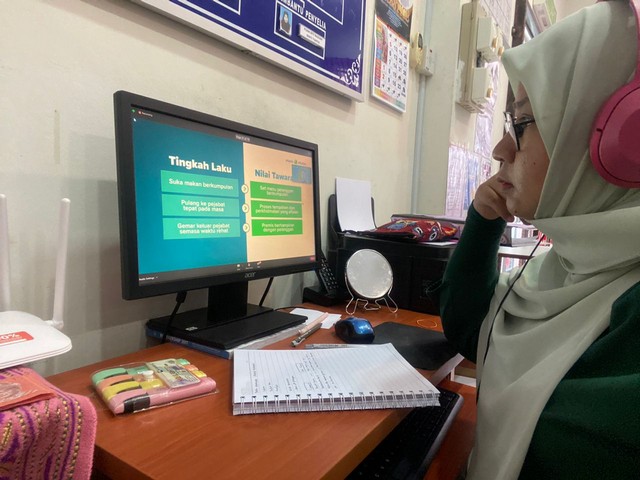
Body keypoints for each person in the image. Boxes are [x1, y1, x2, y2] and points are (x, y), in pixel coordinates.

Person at [439, 2, 640, 479]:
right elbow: (471, 332)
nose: (500, 149)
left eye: (522, 123)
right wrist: (483, 219)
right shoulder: (566, 265)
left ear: (618, 141)